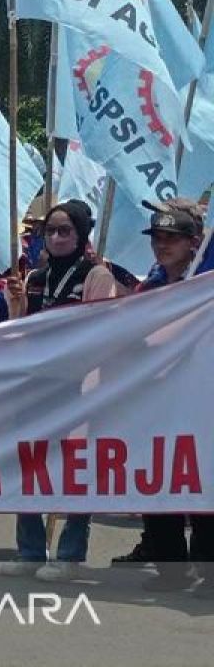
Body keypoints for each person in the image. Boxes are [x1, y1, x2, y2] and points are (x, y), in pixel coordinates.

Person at [0, 199, 118, 582]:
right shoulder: (34, 277)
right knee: (30, 464)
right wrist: (14, 302)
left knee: (73, 469)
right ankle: (31, 551)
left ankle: (70, 554)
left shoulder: (96, 276)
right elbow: (19, 332)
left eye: (64, 230)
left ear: (81, 234)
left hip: (77, 386)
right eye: (49, 231)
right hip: (33, 387)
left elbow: (100, 330)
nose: (55, 237)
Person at [122, 200, 214, 594]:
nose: (162, 245)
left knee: (205, 482)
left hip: (202, 400)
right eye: (157, 238)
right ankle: (171, 568)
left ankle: (209, 570)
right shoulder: (150, 286)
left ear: (194, 243)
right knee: (157, 479)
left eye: (171, 238)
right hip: (157, 399)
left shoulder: (206, 285)